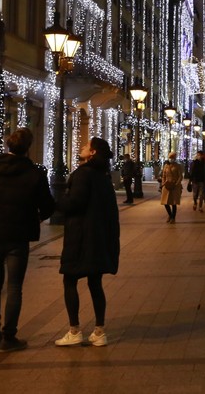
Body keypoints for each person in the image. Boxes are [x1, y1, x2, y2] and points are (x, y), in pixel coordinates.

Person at [0, 127, 54, 352]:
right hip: (19, 236)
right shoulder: (34, 173)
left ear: (8, 145)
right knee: (14, 286)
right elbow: (48, 206)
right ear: (28, 148)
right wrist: (36, 217)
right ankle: (8, 336)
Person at [55, 138, 120, 348]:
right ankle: (99, 331)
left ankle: (74, 330)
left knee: (70, 280)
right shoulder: (103, 176)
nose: (82, 147)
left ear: (92, 153)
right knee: (95, 283)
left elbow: (75, 202)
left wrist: (59, 201)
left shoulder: (83, 174)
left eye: (86, 146)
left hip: (80, 237)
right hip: (98, 238)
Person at [159, 151, 183, 223]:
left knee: (173, 202)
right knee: (165, 202)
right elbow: (163, 176)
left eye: (172, 158)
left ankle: (173, 218)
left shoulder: (177, 166)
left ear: (175, 158)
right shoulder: (166, 166)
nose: (171, 159)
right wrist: (163, 183)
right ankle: (170, 215)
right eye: (170, 157)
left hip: (175, 186)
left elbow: (180, 176)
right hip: (166, 186)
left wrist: (176, 184)